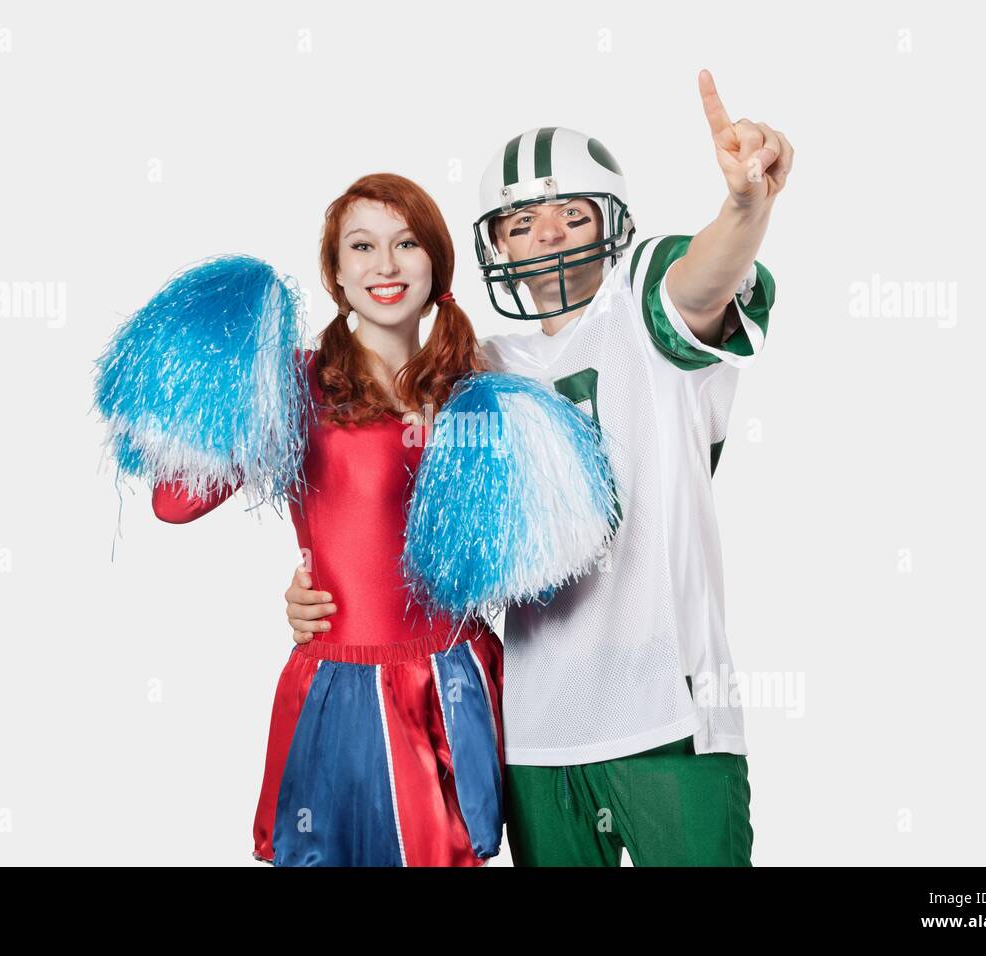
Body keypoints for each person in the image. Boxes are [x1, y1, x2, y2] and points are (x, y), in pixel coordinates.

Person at [283, 70, 793, 866]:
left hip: (668, 717)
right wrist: (321, 587)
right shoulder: (472, 371)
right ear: (494, 244)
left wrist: (744, 207)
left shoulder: (643, 300)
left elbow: (702, 279)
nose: (549, 234)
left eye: (571, 214)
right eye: (523, 222)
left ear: (612, 225)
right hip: (532, 728)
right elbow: (377, 497)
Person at [152, 173, 504, 867]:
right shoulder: (293, 384)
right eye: (362, 246)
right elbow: (174, 502)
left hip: (458, 677)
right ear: (336, 275)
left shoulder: (474, 390)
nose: (385, 265)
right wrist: (222, 374)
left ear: (436, 263)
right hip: (345, 685)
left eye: (406, 243)